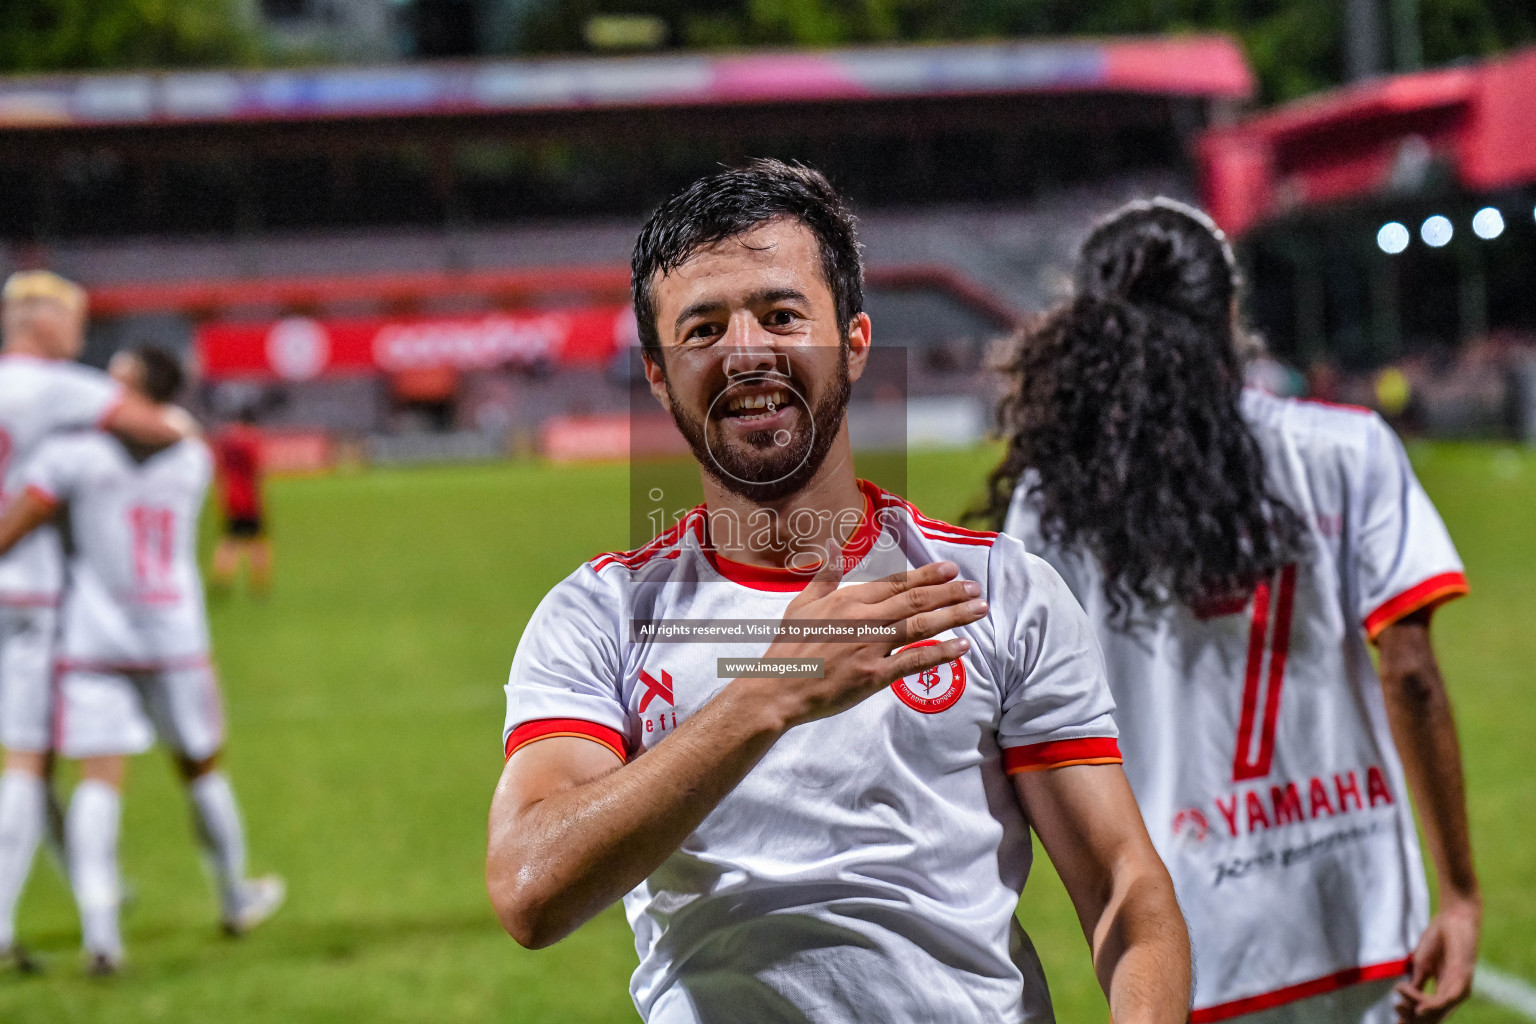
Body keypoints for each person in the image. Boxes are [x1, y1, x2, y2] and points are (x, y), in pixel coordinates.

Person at [485, 161, 1191, 1024]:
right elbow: (530, 889)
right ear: (660, 376)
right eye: (703, 329)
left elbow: (1123, 883)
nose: (747, 352)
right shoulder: (599, 617)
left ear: (854, 342)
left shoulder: (994, 591)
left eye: (781, 315)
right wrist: (767, 695)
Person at [979, 199, 1478, 1024]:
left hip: (1182, 931)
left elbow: (1033, 733)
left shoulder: (1054, 501)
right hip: (1355, 910)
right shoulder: (1347, 449)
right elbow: (1412, 672)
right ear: (1231, 313)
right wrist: (1458, 894)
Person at [0, 346, 284, 973]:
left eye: (116, 371)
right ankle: (236, 896)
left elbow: (18, 521)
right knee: (203, 771)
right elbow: (168, 433)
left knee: (98, 781)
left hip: (93, 637)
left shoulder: (71, 455)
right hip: (175, 636)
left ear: (129, 384)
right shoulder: (190, 455)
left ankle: (102, 938)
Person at [0, 272, 195, 971]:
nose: (82, 338)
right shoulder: (56, 387)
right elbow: (159, 424)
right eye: (75, 322)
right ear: (42, 323)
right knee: (27, 761)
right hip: (30, 594)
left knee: (32, 759)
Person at [210, 409, 271, 597]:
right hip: (248, 498)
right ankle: (259, 584)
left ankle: (221, 579)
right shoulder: (250, 442)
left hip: (229, 495)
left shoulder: (226, 442)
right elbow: (257, 470)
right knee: (258, 541)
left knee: (230, 541)